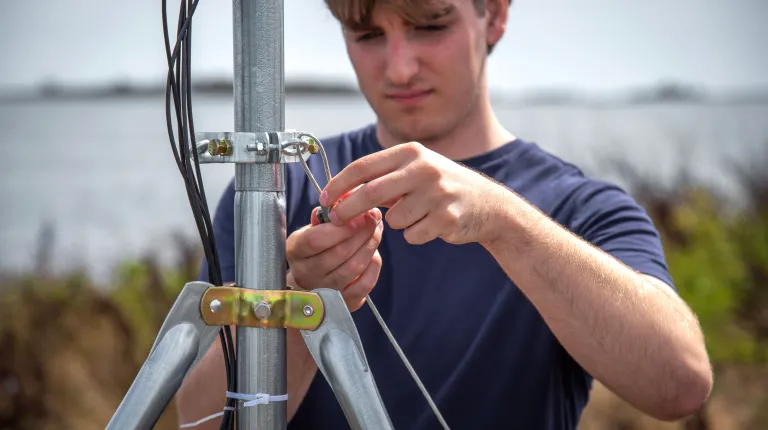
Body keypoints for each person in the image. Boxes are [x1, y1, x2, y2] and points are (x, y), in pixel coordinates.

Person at [175, 0, 713, 428]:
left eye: (431, 26)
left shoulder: (580, 207)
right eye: (367, 35)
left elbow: (680, 385)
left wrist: (502, 221)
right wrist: (299, 305)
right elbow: (197, 423)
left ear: (495, 14)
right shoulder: (277, 191)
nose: (400, 66)